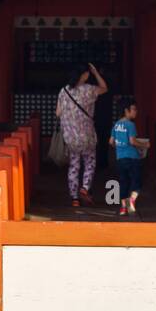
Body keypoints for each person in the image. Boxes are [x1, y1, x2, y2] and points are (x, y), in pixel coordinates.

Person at [56, 62, 106, 208]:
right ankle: (84, 187)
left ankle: (74, 199)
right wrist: (97, 73)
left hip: (71, 137)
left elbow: (58, 113)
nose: (88, 75)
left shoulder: (63, 91)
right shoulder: (89, 90)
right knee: (90, 162)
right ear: (83, 75)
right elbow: (104, 88)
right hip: (87, 136)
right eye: (87, 73)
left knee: (74, 165)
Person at [109, 100, 149, 216]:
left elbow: (111, 141)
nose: (136, 112)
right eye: (134, 109)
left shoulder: (116, 125)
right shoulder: (130, 125)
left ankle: (123, 208)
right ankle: (131, 200)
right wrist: (145, 145)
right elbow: (132, 141)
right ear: (126, 111)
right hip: (133, 158)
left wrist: (120, 146)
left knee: (123, 183)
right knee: (137, 182)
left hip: (120, 159)